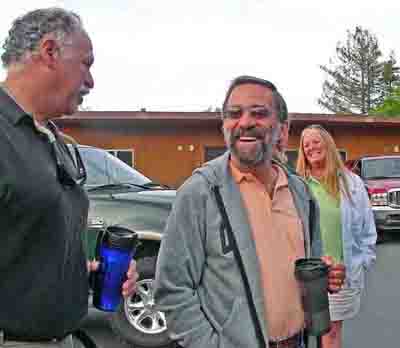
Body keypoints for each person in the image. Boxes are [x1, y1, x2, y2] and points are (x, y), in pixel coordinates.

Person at [154, 75, 346, 348]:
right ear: (224, 126)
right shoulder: (200, 193)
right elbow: (172, 289)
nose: (244, 122)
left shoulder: (301, 193)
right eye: (234, 114)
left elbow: (308, 267)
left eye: (259, 113)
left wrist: (325, 274)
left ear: (282, 129)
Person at [0, 8, 138, 347]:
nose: (91, 81)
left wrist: (83, 275)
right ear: (49, 52)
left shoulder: (56, 141)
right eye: (86, 64)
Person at [296, 124, 377, 348]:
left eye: (316, 141)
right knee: (299, 332)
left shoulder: (352, 183)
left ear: (328, 144)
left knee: (330, 333)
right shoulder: (297, 184)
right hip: (306, 274)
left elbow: (367, 228)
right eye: (306, 145)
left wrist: (363, 261)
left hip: (339, 274)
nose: (311, 147)